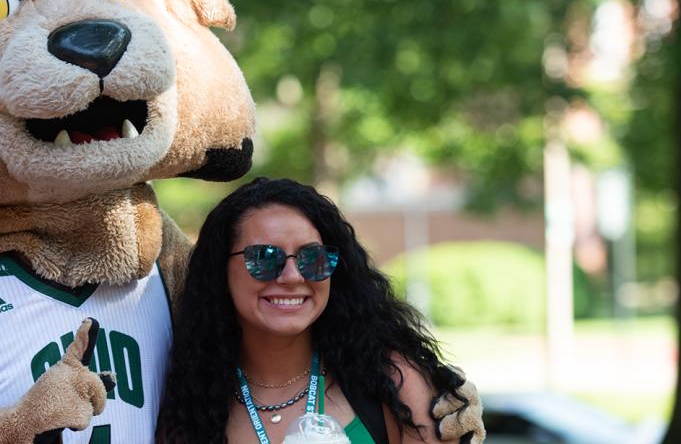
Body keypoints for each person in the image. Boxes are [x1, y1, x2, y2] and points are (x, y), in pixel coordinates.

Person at [156, 178, 480, 443]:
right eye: (265, 258)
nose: (293, 276)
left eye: (313, 258)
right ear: (220, 272)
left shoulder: (392, 380)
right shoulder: (190, 404)